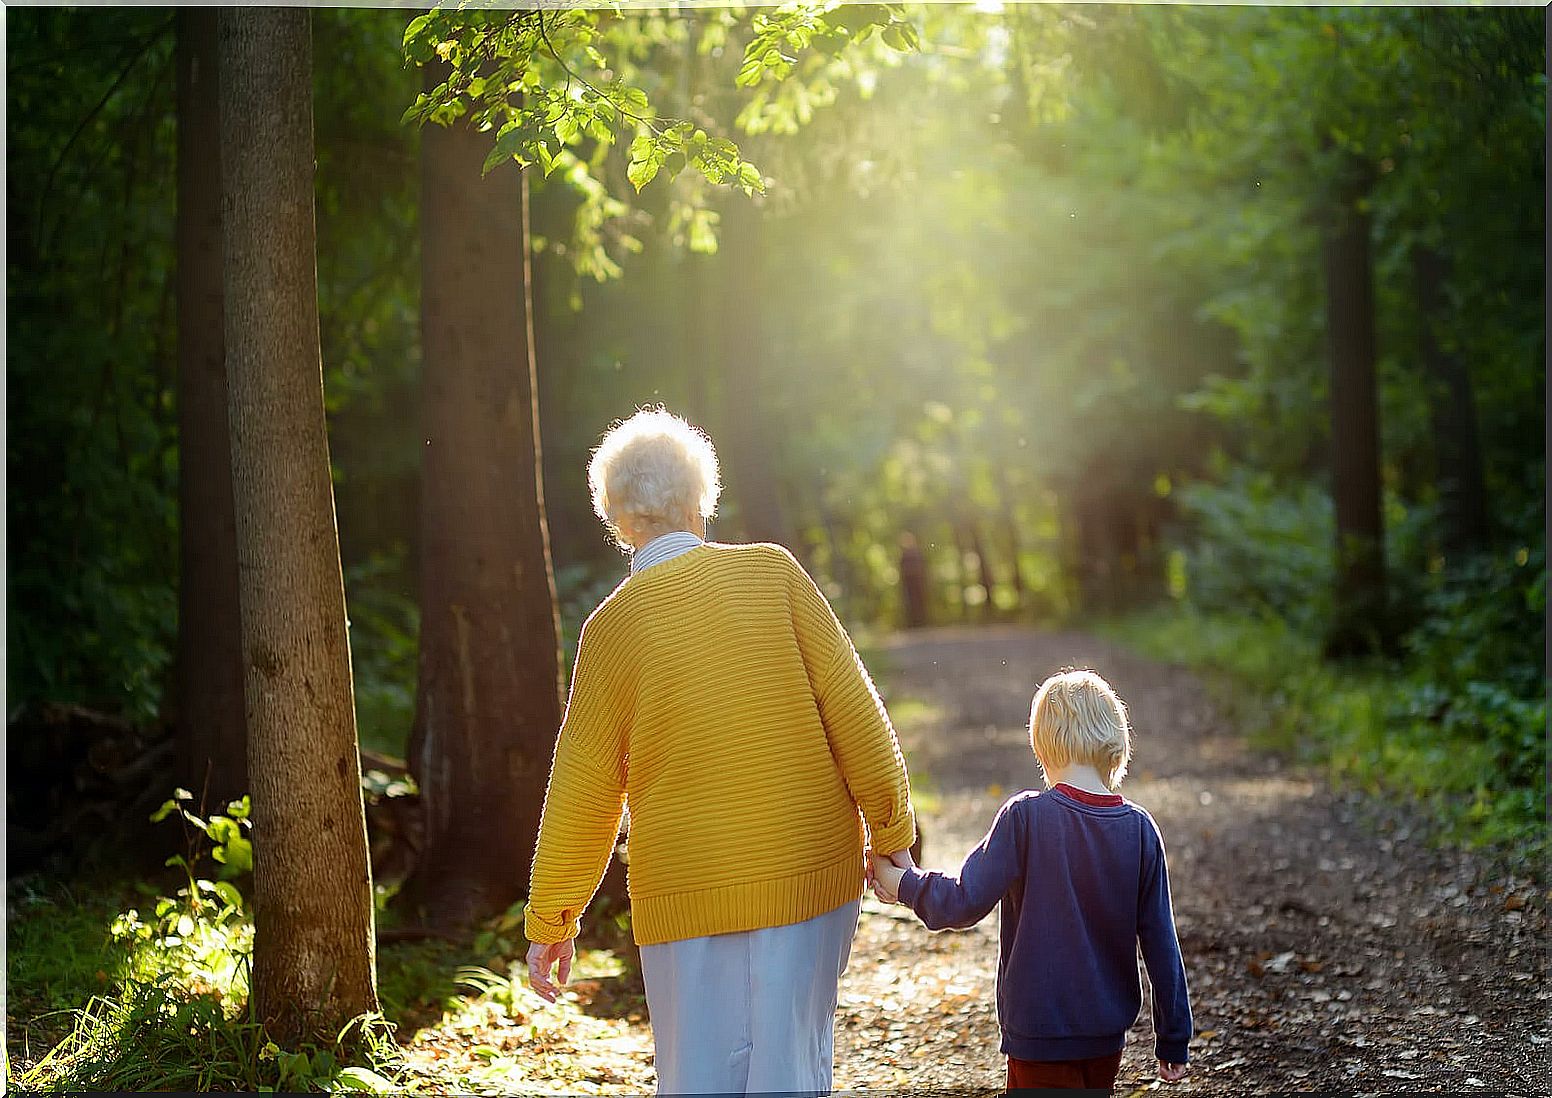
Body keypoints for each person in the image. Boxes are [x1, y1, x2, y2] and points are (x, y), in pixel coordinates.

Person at [524, 407, 916, 1095]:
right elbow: (855, 711)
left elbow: (583, 786)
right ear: (701, 500)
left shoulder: (609, 629)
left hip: (686, 889)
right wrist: (891, 835)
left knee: (698, 1074)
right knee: (793, 1068)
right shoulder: (775, 574)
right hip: (805, 873)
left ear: (617, 519)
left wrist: (553, 917)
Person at [872, 668, 1192, 1093]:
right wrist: (1174, 1036)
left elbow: (964, 900)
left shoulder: (1026, 817)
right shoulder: (1140, 829)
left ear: (1042, 746)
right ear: (1116, 741)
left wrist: (903, 883)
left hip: (1041, 1034)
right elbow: (1161, 941)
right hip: (1105, 1035)